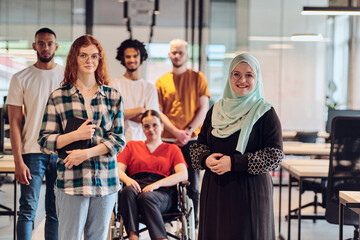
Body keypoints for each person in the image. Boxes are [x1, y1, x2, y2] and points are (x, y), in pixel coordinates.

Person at [38, 35, 126, 240]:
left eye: (94, 56)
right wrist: (75, 135)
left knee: (98, 237)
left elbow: (119, 140)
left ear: (100, 59)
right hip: (71, 181)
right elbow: (44, 140)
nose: (90, 61)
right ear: (74, 59)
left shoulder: (113, 96)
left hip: (106, 180)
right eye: (83, 55)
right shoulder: (58, 96)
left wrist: (85, 153)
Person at [190, 53, 284, 240]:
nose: (242, 80)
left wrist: (234, 163)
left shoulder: (265, 112)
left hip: (250, 192)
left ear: (256, 78)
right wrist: (205, 158)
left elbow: (274, 156)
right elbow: (198, 146)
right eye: (236, 74)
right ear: (229, 77)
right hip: (216, 190)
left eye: (249, 75)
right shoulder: (216, 110)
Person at [6, 27, 63, 240]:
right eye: (41, 43)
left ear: (56, 46)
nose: (45, 47)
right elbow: (14, 122)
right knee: (27, 210)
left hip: (60, 152)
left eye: (49, 43)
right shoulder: (21, 78)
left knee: (55, 212)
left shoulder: (67, 75)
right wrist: (18, 161)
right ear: (34, 46)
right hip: (32, 152)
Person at [156, 39, 210, 226]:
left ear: (186, 55)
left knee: (193, 185)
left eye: (180, 52)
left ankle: (192, 224)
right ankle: (168, 223)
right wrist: (175, 132)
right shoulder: (161, 82)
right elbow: (159, 112)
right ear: (169, 55)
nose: (177, 55)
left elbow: (203, 108)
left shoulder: (198, 78)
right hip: (167, 141)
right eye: (174, 52)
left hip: (193, 141)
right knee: (167, 183)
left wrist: (186, 132)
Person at [118, 110, 188, 240]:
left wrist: (156, 185)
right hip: (137, 187)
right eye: (146, 126)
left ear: (162, 126)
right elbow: (117, 169)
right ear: (142, 128)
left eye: (155, 125)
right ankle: (133, 237)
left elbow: (183, 175)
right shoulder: (132, 146)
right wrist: (127, 179)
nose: (151, 129)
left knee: (147, 197)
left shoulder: (172, 149)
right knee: (127, 191)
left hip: (163, 193)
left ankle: (161, 238)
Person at [111, 39, 159, 142]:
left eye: (135, 56)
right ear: (122, 58)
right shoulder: (113, 85)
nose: (132, 60)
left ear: (141, 57)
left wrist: (123, 114)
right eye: (128, 56)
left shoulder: (150, 88)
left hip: (144, 143)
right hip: (118, 142)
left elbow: (152, 120)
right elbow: (111, 116)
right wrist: (140, 110)